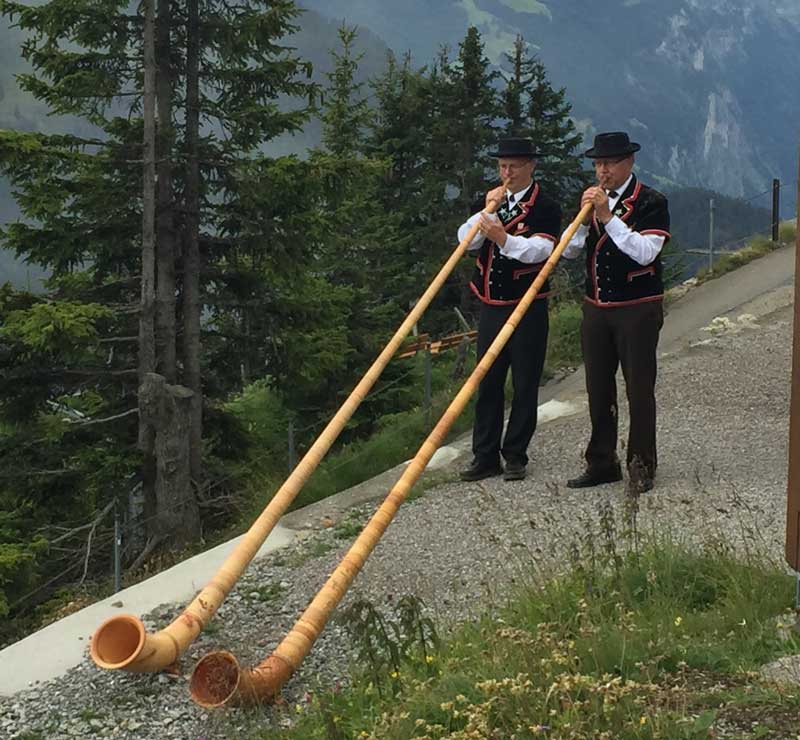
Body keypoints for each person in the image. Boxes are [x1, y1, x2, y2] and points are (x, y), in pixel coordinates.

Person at [562, 131, 671, 493]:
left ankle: (641, 465)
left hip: (637, 308)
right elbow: (570, 253)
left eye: (607, 164)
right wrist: (581, 223)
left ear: (628, 163)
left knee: (639, 389)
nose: (601, 172)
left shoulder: (651, 201)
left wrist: (608, 217)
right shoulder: (592, 203)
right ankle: (601, 462)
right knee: (597, 387)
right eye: (597, 164)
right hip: (596, 307)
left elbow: (645, 252)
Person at [458, 137, 562, 482]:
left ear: (531, 166)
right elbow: (466, 241)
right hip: (491, 305)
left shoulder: (545, 206)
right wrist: (485, 212)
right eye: (502, 166)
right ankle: (484, 455)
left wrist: (503, 237)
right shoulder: (487, 201)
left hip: (528, 306)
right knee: (487, 381)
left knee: (524, 382)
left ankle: (515, 454)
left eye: (514, 166)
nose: (507, 172)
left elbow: (540, 252)